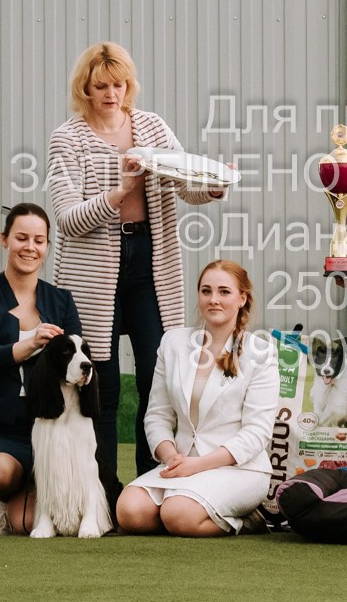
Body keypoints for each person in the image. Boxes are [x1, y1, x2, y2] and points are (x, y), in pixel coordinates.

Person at [46, 42, 224, 508]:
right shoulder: (67, 138)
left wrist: (213, 184)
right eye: (101, 85)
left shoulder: (151, 126)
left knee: (158, 371)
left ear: (130, 85)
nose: (111, 94)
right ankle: (102, 488)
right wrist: (118, 192)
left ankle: (150, 484)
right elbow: (66, 219)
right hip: (91, 269)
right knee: (99, 376)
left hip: (151, 258)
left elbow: (187, 183)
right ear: (84, 87)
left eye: (119, 84)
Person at [118, 260, 280, 537]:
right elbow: (157, 415)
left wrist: (198, 465)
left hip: (239, 469)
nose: (213, 300)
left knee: (179, 514)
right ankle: (183, 511)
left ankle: (248, 520)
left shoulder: (260, 352)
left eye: (224, 292)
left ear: (242, 298)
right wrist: (172, 457)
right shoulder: (173, 343)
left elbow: (257, 434)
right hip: (180, 464)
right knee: (129, 512)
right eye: (206, 291)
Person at [0, 203, 83, 536]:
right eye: (21, 238)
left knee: (27, 524)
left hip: (50, 428)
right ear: (4, 240)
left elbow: (73, 362)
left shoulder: (62, 300)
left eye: (39, 240)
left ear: (47, 246)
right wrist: (34, 341)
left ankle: (31, 494)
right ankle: (6, 496)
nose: (30, 247)